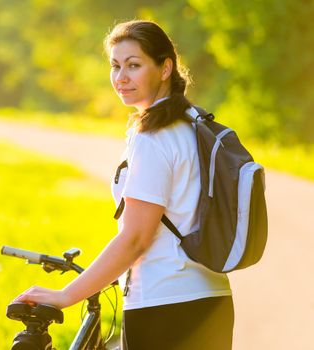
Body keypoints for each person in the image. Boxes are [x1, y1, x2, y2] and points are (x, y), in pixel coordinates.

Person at [14, 20, 234, 349]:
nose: (121, 78)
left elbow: (135, 238)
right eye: (115, 66)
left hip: (165, 307)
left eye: (134, 65)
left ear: (165, 68)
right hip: (211, 299)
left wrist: (66, 295)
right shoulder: (193, 124)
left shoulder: (154, 137)